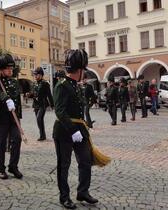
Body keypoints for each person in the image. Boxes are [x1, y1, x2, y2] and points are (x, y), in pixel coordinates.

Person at [53, 49, 98, 209]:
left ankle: (82, 192)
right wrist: (73, 130)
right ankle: (64, 197)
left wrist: (81, 128)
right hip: (65, 131)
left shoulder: (76, 85)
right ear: (79, 70)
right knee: (64, 165)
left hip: (79, 129)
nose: (84, 74)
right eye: (83, 71)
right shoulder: (61, 85)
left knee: (86, 161)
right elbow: (60, 111)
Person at [0, 54, 23, 180]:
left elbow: (17, 100)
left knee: (17, 140)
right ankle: (1, 168)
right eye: (7, 69)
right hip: (1, 117)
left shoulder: (14, 81)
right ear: (1, 69)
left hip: (13, 118)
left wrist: (19, 117)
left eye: (11, 68)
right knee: (1, 143)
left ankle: (13, 166)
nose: (10, 70)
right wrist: (6, 99)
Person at [32, 67, 54, 141]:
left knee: (39, 118)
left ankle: (42, 135)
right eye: (34, 75)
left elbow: (49, 95)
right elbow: (34, 93)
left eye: (36, 75)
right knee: (39, 120)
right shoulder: (35, 83)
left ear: (41, 75)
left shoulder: (45, 83)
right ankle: (42, 135)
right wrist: (29, 95)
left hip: (43, 104)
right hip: (35, 104)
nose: (35, 76)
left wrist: (52, 105)